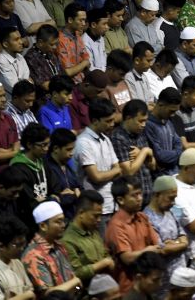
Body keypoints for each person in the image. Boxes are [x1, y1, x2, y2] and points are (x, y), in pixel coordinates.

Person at [105, 177, 160, 295]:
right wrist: (148, 250)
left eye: (140, 194)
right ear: (120, 200)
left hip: (147, 283)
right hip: (128, 288)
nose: (140, 199)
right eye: (134, 195)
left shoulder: (142, 217)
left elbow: (157, 245)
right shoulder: (116, 225)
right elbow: (127, 258)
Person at [73, 98, 121, 233]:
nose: (112, 124)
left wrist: (110, 172)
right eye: (108, 121)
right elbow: (96, 177)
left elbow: (120, 170)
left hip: (112, 205)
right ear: (94, 120)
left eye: (113, 120)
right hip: (95, 210)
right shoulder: (83, 143)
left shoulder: (106, 139)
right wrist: (113, 172)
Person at [21, 201, 82, 296]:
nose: (63, 225)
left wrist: (76, 286)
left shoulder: (59, 246)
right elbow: (49, 294)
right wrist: (76, 282)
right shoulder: (33, 255)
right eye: (58, 221)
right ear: (43, 226)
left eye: (63, 220)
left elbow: (75, 282)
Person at [142, 176, 189, 298]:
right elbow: (162, 249)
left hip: (181, 275)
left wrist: (176, 243)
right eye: (170, 198)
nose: (173, 202)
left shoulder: (170, 212)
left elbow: (183, 235)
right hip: (164, 281)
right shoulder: (147, 218)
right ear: (158, 195)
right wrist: (180, 243)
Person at [60, 191, 114, 286]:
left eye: (100, 216)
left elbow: (105, 253)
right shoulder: (68, 240)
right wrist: (102, 264)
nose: (99, 220)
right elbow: (75, 273)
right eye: (95, 216)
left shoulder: (93, 230)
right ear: (81, 213)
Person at [111, 100, 156, 205]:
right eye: (140, 121)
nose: (144, 125)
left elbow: (153, 165)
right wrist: (144, 152)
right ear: (128, 118)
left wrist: (142, 153)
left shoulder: (140, 134)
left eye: (145, 121)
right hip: (132, 201)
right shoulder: (118, 137)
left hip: (148, 196)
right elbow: (129, 172)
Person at [0, 216, 35, 300]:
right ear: (1, 246)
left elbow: (30, 290)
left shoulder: (17, 262)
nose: (22, 249)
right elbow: (29, 294)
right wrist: (27, 295)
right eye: (18, 245)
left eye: (23, 243)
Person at [144, 87, 181, 176]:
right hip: (160, 177)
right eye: (171, 111)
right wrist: (178, 153)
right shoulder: (148, 125)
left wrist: (177, 152)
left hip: (175, 172)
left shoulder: (168, 121)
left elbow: (178, 142)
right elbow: (160, 155)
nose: (173, 115)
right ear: (160, 104)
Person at [56, 3, 90, 83]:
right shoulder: (60, 40)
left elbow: (86, 58)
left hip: (82, 80)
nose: (84, 24)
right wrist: (84, 63)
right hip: (68, 84)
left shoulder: (77, 34)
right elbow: (68, 72)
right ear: (70, 20)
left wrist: (85, 62)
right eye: (80, 20)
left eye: (84, 20)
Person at [0, 27, 30, 98]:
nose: (21, 42)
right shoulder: (0, 61)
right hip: (9, 104)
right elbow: (15, 88)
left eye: (20, 38)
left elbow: (28, 82)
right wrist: (26, 82)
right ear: (5, 44)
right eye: (16, 39)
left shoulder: (20, 56)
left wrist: (23, 82)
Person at [24, 25, 61, 93]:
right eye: (52, 44)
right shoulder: (31, 57)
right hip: (44, 97)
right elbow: (45, 85)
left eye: (56, 44)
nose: (55, 47)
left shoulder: (49, 52)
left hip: (58, 92)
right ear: (40, 42)